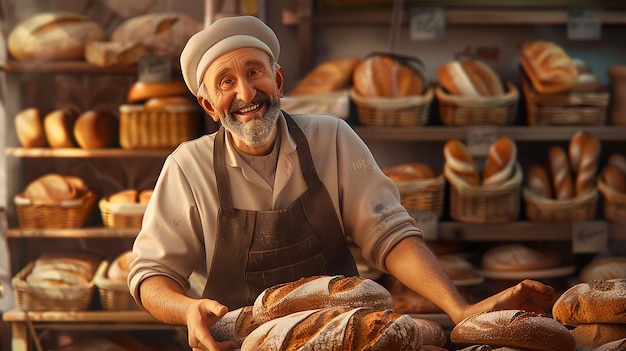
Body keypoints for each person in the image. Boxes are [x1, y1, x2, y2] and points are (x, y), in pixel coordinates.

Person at [128, 15, 555, 351]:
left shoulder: (331, 138)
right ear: (208, 104)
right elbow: (152, 273)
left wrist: (460, 309)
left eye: (255, 72)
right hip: (234, 346)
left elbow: (389, 233)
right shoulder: (188, 166)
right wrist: (186, 309)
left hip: (342, 341)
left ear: (278, 81)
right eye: (226, 82)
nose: (245, 93)